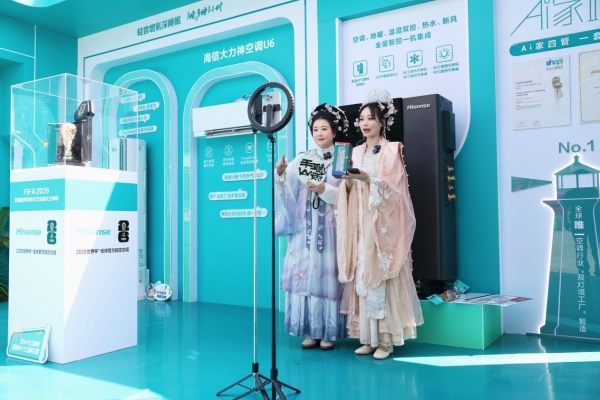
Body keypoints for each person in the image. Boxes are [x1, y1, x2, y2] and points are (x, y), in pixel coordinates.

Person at [336, 89, 423, 360]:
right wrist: (348, 183)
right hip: (360, 223)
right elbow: (347, 189)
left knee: (381, 276)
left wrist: (369, 181)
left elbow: (396, 191)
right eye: (361, 118)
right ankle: (367, 337)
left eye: (370, 118)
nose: (365, 123)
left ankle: (385, 339)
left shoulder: (392, 150)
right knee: (363, 273)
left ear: (383, 122)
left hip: (381, 224)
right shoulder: (355, 151)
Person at [275, 103, 349, 350]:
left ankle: (328, 332)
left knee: (328, 277)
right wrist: (281, 174)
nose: (319, 133)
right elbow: (289, 189)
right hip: (304, 228)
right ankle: (310, 330)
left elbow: (348, 194)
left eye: (324, 128)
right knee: (304, 275)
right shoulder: (303, 158)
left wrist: (324, 189)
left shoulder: (342, 156)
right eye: (315, 129)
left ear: (334, 131)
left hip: (331, 228)